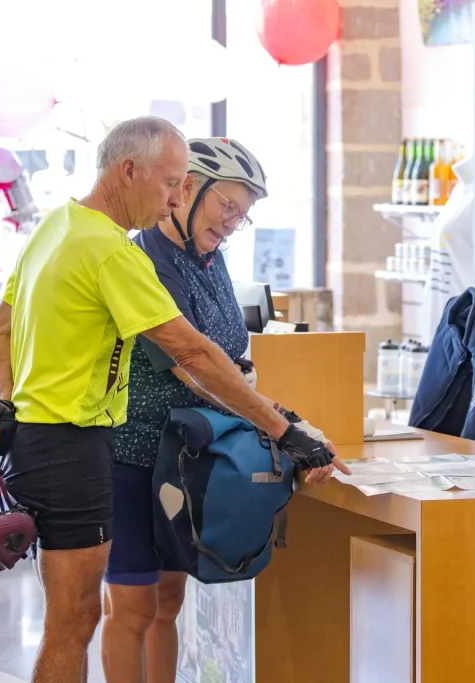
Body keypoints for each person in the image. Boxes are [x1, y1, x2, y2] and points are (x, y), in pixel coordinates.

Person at [0, 117, 348, 683]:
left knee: (82, 620)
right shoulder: (115, 251)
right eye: (171, 183)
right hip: (83, 448)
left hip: (64, 443)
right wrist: (284, 430)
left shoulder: (56, 227)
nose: (174, 196)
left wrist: (8, 401)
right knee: (77, 623)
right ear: (130, 172)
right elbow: (193, 356)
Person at [100, 137, 300, 683]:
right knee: (133, 608)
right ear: (187, 188)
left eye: (243, 215)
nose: (233, 223)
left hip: (186, 457)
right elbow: (190, 361)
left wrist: (257, 393)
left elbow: (229, 355)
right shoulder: (144, 261)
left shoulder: (211, 261)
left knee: (168, 602)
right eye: (227, 207)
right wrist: (275, 420)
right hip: (133, 456)